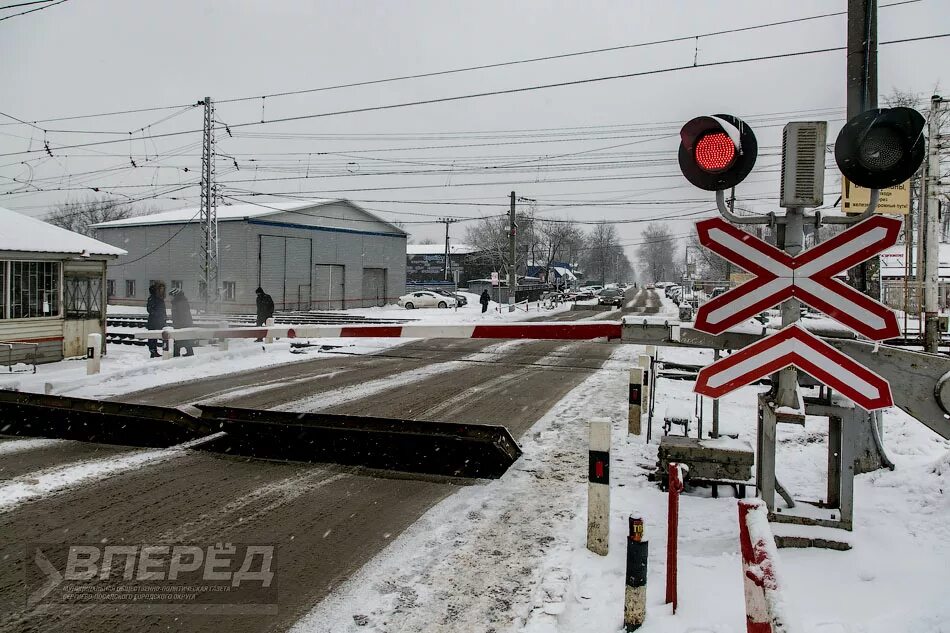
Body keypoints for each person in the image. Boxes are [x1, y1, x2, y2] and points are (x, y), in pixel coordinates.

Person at [169, 288, 195, 357]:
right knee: (182, 339)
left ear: (175, 295)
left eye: (171, 295)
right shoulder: (180, 301)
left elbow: (182, 314)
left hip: (182, 324)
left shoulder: (179, 302)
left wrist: (179, 325)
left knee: (178, 339)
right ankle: (188, 352)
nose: (170, 297)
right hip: (182, 324)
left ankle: (177, 354)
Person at [146, 282, 167, 358]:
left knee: (156, 336)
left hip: (159, 320)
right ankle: (152, 351)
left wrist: (164, 317)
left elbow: (162, 309)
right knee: (152, 337)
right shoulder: (153, 298)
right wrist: (158, 314)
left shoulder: (160, 298)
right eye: (161, 289)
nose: (162, 290)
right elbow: (150, 309)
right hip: (154, 321)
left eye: (163, 289)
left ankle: (154, 351)